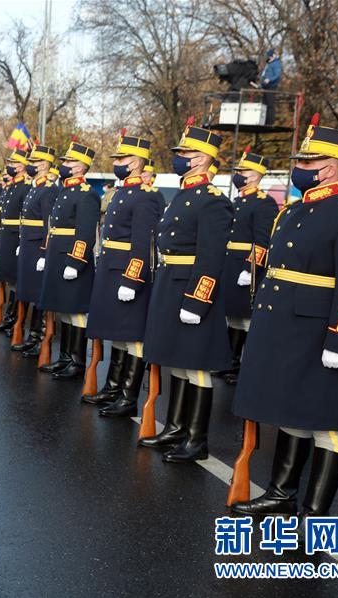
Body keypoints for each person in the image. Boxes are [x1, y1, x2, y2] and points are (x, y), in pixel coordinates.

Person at [231, 116, 338, 517]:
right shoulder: (292, 211)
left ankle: (315, 509)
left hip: (319, 331)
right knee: (290, 410)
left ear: (329, 167)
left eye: (307, 163)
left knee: (325, 421)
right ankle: (282, 491)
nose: (299, 169)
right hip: (284, 327)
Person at [140, 118, 232, 463]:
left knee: (196, 367)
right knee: (176, 362)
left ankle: (197, 439)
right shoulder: (185, 193)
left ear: (203, 158)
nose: (180, 156)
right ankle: (176, 428)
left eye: (187, 151)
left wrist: (198, 298)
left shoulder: (211, 200)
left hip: (191, 290)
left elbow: (211, 257)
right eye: (180, 151)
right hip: (170, 282)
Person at [84, 133, 164, 414]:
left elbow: (144, 243)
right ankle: (113, 387)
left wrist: (133, 278)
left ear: (137, 162)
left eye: (122, 158)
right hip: (111, 268)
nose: (117, 162)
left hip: (127, 273)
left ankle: (129, 398)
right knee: (116, 332)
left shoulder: (146, 196)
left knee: (132, 335)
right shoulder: (123, 191)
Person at [37, 137, 100, 380]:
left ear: (80, 166)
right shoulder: (66, 190)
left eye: (69, 160)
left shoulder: (86, 193)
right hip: (57, 255)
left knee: (76, 312)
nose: (64, 164)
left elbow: (85, 232)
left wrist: (76, 261)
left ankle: (77, 360)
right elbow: (53, 227)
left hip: (71, 259)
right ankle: (64, 357)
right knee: (62, 310)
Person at [218, 147, 277, 385]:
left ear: (254, 175)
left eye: (243, 171)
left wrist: (250, 268)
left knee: (246, 319)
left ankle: (245, 365)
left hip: (245, 266)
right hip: (229, 263)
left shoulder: (264, 203)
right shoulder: (237, 201)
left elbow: (263, 240)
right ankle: (229, 361)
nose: (238, 174)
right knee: (231, 317)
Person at [13, 144, 57, 355]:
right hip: (29, 244)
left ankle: (39, 336)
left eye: (35, 162)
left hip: (38, 246)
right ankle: (32, 334)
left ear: (46, 164)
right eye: (30, 162)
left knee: (39, 293)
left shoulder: (48, 189)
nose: (31, 165)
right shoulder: (36, 187)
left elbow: (49, 224)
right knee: (29, 291)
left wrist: (44, 252)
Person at [0, 150, 30, 332]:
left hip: (15, 237)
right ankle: (9, 316)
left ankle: (15, 319)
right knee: (5, 278)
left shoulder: (25, 187)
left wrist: (22, 242)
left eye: (14, 164)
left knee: (15, 279)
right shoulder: (11, 186)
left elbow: (25, 217)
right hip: (6, 235)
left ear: (22, 166)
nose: (10, 166)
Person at [259, 49, 281, 125]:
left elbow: (277, 76)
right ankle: (263, 121)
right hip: (265, 87)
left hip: (271, 87)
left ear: (273, 56)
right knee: (264, 104)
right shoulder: (268, 64)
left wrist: (270, 80)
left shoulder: (276, 63)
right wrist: (261, 85)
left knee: (270, 104)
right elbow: (264, 74)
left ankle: (270, 122)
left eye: (270, 57)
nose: (269, 58)